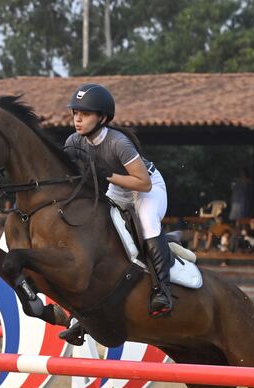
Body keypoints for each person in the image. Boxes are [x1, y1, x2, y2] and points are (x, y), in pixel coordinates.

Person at [59, 83, 172, 343]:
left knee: (146, 222)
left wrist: (107, 175)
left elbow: (142, 183)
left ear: (102, 118)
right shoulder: (74, 142)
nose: (77, 119)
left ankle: (162, 291)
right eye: (75, 113)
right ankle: (85, 314)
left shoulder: (117, 142)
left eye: (84, 114)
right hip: (118, 187)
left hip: (147, 188)